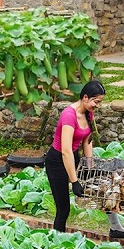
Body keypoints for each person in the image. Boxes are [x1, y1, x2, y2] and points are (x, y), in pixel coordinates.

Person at [45, 80, 106, 233]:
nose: (97, 105)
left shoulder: (88, 113)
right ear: (85, 97)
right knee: (63, 208)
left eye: (99, 102)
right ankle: (58, 244)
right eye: (96, 101)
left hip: (74, 156)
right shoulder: (68, 116)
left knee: (103, 191)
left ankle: (116, 228)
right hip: (57, 161)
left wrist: (90, 167)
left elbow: (87, 140)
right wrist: (75, 181)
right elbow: (65, 151)